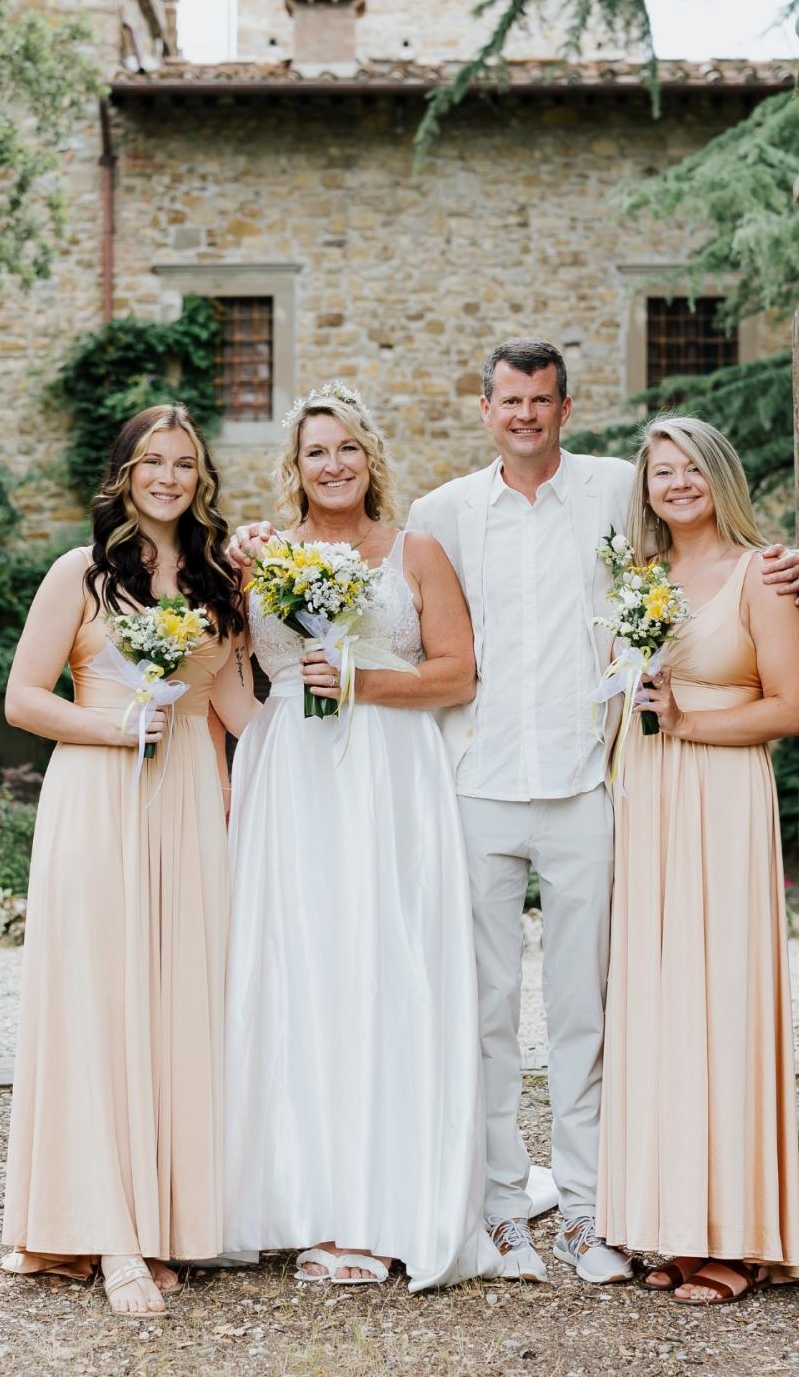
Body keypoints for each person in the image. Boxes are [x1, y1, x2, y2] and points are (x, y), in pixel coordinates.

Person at [404, 339, 799, 1284]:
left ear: (567, 408)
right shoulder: (443, 513)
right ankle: (503, 1210)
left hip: (593, 785)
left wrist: (786, 563)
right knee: (488, 1012)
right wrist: (257, 548)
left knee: (588, 1011)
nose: (526, 415)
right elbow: (394, 603)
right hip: (477, 786)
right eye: (510, 400)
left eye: (542, 400)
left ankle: (589, 1214)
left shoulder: (611, 500)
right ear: (484, 407)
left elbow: (710, 561)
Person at [223, 381, 502, 1291]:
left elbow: (458, 673)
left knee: (389, 968)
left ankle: (389, 1205)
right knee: (297, 968)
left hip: (389, 777)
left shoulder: (413, 551)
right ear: (293, 467)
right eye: (315, 452)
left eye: (346, 448)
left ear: (369, 456)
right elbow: (231, 669)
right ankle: (302, 1199)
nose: (332, 464)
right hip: (290, 776)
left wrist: (362, 683)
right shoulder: (261, 557)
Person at [0, 404, 258, 1317]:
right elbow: (24, 699)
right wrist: (116, 725)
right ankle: (107, 1234)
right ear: (124, 473)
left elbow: (234, 707)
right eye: (153, 461)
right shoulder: (81, 573)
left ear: (202, 479)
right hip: (100, 796)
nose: (169, 477)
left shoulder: (222, 580)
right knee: (101, 1003)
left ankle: (160, 1220)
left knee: (175, 1000)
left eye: (185, 463)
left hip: (189, 792)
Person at [597, 415, 799, 1301]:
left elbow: (791, 708)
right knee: (661, 1009)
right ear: (646, 488)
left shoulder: (760, 574)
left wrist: (690, 722)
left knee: (724, 1006)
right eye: (662, 471)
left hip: (723, 798)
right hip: (648, 795)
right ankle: (677, 1229)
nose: (677, 482)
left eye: (692, 467)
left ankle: (738, 1239)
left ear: (719, 476)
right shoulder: (637, 578)